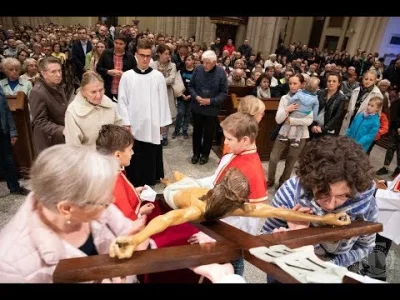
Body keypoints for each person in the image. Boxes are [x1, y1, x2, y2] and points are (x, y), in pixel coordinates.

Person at [109, 118, 350, 261]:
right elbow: (161, 221)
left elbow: (275, 212)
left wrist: (326, 217)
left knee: (182, 181)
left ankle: (175, 181)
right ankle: (173, 181)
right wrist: (133, 240)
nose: (225, 143)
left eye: (229, 138)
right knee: (178, 182)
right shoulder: (201, 208)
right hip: (181, 192)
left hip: (188, 190)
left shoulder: (228, 206)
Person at [0, 145, 148, 283]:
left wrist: (137, 241)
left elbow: (127, 232)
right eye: (104, 202)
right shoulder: (11, 264)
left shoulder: (93, 198)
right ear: (66, 209)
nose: (112, 201)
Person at [261, 135, 378, 270]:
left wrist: (325, 266)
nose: (330, 205)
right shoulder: (291, 192)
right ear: (310, 184)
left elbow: (365, 246)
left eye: (342, 196)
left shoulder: (366, 207)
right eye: (323, 194)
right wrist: (285, 241)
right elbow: (264, 238)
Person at [116, 39, 171, 187]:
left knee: (150, 153)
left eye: (148, 56)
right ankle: (133, 181)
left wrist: (162, 124)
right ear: (136, 55)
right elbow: (122, 101)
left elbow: (163, 101)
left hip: (152, 124)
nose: (145, 59)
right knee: (135, 153)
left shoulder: (158, 77)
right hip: (133, 124)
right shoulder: (127, 76)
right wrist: (126, 122)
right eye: (142, 55)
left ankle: (149, 180)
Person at [96, 124, 155, 221]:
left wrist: (133, 192)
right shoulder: (114, 180)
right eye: (130, 149)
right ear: (117, 155)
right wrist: (141, 212)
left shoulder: (107, 170)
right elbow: (124, 219)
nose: (132, 153)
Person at [268, 74, 312, 188]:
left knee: (291, 161)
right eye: (290, 83)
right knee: (273, 158)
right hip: (284, 132)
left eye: (295, 83)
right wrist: (287, 109)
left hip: (300, 135)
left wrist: (291, 120)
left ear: (302, 84)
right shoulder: (284, 98)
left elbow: (309, 120)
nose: (292, 86)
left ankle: (283, 182)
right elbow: (278, 119)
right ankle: (270, 179)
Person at [188, 50, 228, 165]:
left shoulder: (221, 73)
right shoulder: (198, 69)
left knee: (209, 134)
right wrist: (196, 97)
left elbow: (224, 93)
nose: (204, 65)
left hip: (211, 110)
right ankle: (196, 154)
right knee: (197, 132)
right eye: (203, 62)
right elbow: (191, 86)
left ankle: (205, 155)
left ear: (215, 62)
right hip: (198, 107)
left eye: (207, 63)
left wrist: (210, 101)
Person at [64, 71, 123, 147]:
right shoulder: (73, 112)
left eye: (101, 90)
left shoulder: (108, 102)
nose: (98, 96)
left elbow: (118, 126)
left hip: (111, 156)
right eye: (93, 92)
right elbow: (73, 147)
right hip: (88, 157)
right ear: (83, 92)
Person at [29, 56, 68, 154]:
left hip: (60, 137)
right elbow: (40, 121)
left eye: (59, 70)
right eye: (53, 72)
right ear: (43, 73)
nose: (58, 75)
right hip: (48, 141)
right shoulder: (37, 92)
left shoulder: (58, 85)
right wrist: (62, 130)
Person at [0, 85, 29, 196]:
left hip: (3, 131)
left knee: (9, 161)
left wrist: (12, 132)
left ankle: (14, 187)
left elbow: (6, 110)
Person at [278, 77, 320, 147]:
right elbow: (316, 109)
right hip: (305, 114)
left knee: (288, 122)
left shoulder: (299, 93)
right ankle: (297, 140)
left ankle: (284, 135)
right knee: (300, 126)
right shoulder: (315, 98)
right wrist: (315, 118)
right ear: (316, 88)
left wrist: (289, 105)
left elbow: (292, 100)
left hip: (297, 111)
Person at [339, 70, 383, 135]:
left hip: (363, 123)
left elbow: (378, 114)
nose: (368, 81)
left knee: (354, 142)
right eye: (366, 79)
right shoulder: (356, 90)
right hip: (351, 118)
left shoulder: (378, 95)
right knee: (344, 139)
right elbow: (350, 107)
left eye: (371, 80)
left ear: (374, 81)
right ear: (362, 79)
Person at [310, 72, 347, 138]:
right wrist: (312, 125)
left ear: (339, 83)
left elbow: (337, 117)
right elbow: (311, 109)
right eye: (329, 81)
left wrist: (323, 129)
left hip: (327, 131)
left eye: (334, 81)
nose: (331, 83)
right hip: (313, 127)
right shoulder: (319, 93)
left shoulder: (341, 98)